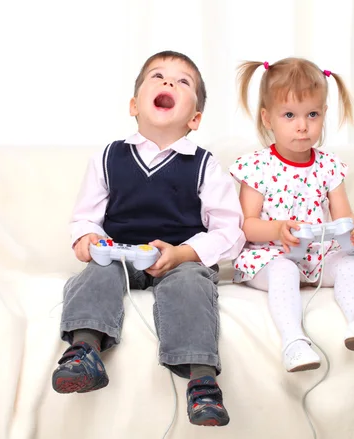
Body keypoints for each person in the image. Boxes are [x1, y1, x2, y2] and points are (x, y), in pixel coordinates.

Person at [52, 50, 245, 427]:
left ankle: (202, 381)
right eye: (157, 76)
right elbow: (85, 216)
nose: (168, 82)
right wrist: (87, 237)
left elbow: (230, 230)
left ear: (195, 118)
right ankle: (84, 352)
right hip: (119, 254)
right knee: (95, 274)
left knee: (191, 286)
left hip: (177, 258)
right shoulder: (108, 158)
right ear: (133, 104)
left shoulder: (204, 165)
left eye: (182, 81)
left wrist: (185, 253)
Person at [229, 58, 354, 372]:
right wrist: (278, 229)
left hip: (314, 257)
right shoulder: (256, 166)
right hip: (269, 258)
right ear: (267, 118)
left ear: (324, 114)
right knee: (284, 269)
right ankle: (294, 342)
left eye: (312, 114)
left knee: (346, 261)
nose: (303, 125)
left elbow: (344, 217)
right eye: (289, 115)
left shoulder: (328, 166)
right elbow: (248, 226)